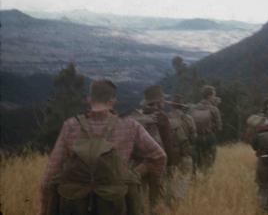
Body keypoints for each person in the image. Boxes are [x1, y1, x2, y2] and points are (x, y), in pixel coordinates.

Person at [39, 79, 166, 215]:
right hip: (114, 202)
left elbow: (51, 173)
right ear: (112, 102)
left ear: (89, 99)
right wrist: (135, 174)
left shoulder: (70, 126)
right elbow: (159, 156)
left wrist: (45, 206)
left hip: (75, 202)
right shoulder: (130, 125)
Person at [130, 85, 173, 213]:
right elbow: (168, 143)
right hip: (157, 162)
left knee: (139, 199)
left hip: (137, 164)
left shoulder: (135, 117)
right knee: (156, 200)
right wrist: (169, 164)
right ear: (159, 102)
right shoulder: (162, 117)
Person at [165, 94, 197, 207]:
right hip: (184, 153)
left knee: (168, 178)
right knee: (184, 175)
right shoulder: (188, 119)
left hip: (168, 154)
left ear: (172, 106)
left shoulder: (165, 118)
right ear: (182, 106)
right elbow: (193, 138)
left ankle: (168, 201)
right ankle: (179, 199)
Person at [190, 85, 222, 173]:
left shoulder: (193, 108)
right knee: (209, 162)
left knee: (196, 161)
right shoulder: (214, 109)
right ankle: (206, 179)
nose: (214, 97)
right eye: (214, 95)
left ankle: (195, 178)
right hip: (209, 138)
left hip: (196, 138)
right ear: (209, 96)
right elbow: (219, 127)